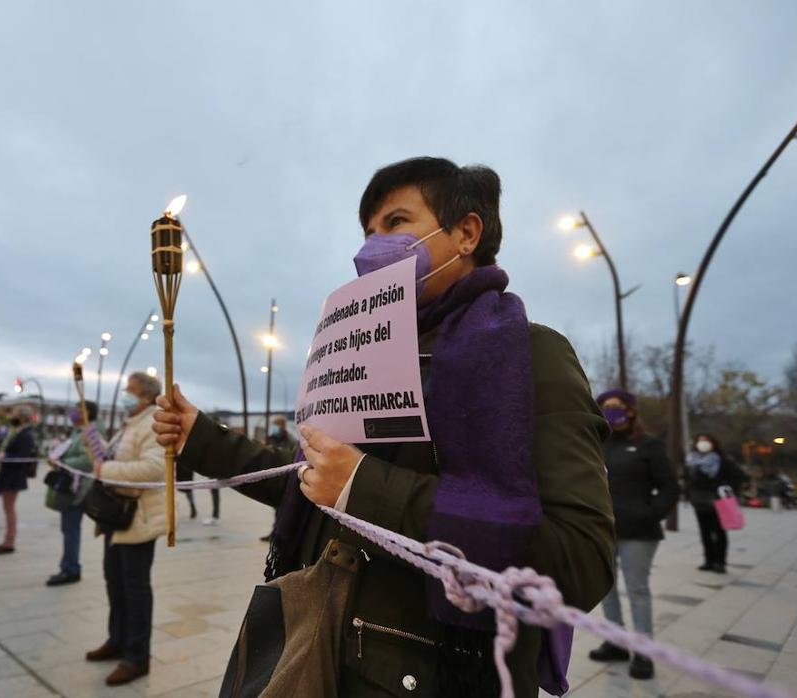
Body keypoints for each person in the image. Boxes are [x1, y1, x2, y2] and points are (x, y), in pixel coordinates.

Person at [152, 157, 615, 697]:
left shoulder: (530, 354)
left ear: (467, 232)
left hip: (438, 673)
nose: (372, 247)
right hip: (321, 648)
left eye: (396, 223)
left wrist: (365, 486)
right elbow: (313, 484)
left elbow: (581, 560)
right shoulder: (364, 349)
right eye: (368, 231)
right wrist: (202, 439)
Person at [586, 389, 678, 680]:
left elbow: (669, 486)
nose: (612, 412)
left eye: (618, 407)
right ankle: (616, 642)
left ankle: (643, 652)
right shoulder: (596, 444)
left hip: (638, 532)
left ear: (631, 411)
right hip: (602, 530)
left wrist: (650, 513)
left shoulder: (648, 445)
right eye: (606, 408)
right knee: (606, 588)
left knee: (637, 589)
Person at [85, 372, 167, 687]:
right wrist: (93, 443)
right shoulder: (130, 424)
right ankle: (117, 639)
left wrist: (105, 469)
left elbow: (154, 468)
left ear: (146, 396)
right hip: (116, 517)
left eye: (130, 391)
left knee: (135, 589)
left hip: (138, 518)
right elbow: (113, 458)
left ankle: (137, 656)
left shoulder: (152, 423)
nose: (125, 395)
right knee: (114, 582)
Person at [46, 402, 97, 587]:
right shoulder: (78, 432)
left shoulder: (89, 433)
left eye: (77, 409)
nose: (73, 413)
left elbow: (87, 460)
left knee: (71, 530)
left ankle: (70, 569)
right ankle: (68, 566)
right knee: (68, 529)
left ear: (87, 412)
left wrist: (62, 461)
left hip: (78, 489)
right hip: (73, 485)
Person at [687, 432, 743, 574]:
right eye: (700, 441)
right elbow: (686, 478)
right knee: (704, 531)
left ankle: (720, 561)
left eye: (706, 440)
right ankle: (708, 560)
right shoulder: (692, 460)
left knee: (719, 531)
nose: (703, 443)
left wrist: (726, 488)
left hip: (718, 499)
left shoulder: (722, 460)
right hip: (699, 499)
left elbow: (738, 477)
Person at [0, 407, 36, 555]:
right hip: (8, 474)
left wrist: (4, 455)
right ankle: (8, 540)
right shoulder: (15, 431)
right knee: (7, 508)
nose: (12, 416)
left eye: (15, 414)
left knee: (9, 508)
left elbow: (21, 456)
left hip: (13, 476)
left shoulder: (25, 434)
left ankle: (9, 541)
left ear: (22, 417)